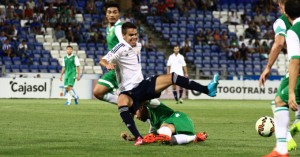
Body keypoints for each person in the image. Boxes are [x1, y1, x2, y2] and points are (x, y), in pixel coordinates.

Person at [101, 22, 219, 146]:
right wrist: (107, 64)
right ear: (123, 35)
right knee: (121, 101)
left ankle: (207, 89)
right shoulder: (120, 47)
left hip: (142, 86)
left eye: (136, 34)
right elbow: (103, 59)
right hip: (129, 92)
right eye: (131, 35)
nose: (134, 37)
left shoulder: (138, 46)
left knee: (172, 77)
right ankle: (138, 137)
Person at [259, 0, 298, 153]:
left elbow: (279, 43)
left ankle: (284, 145)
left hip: (297, 66)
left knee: (279, 102)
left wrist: (268, 67)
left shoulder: (282, 22)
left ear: (283, 6)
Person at [121, 99, 207, 145]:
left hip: (179, 118)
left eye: (136, 113)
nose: (136, 117)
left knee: (162, 131)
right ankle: (195, 137)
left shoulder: (154, 106)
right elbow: (153, 138)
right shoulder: (152, 124)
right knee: (166, 140)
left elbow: (145, 99)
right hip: (181, 130)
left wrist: (131, 106)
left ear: (141, 108)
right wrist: (134, 138)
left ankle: (191, 137)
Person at [94, 2, 123, 105]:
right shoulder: (109, 28)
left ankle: (127, 104)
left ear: (119, 14)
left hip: (119, 67)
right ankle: (127, 104)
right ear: (106, 14)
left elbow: (124, 44)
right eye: (109, 12)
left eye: (115, 12)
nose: (112, 15)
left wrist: (109, 57)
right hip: (114, 67)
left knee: (98, 92)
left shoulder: (119, 28)